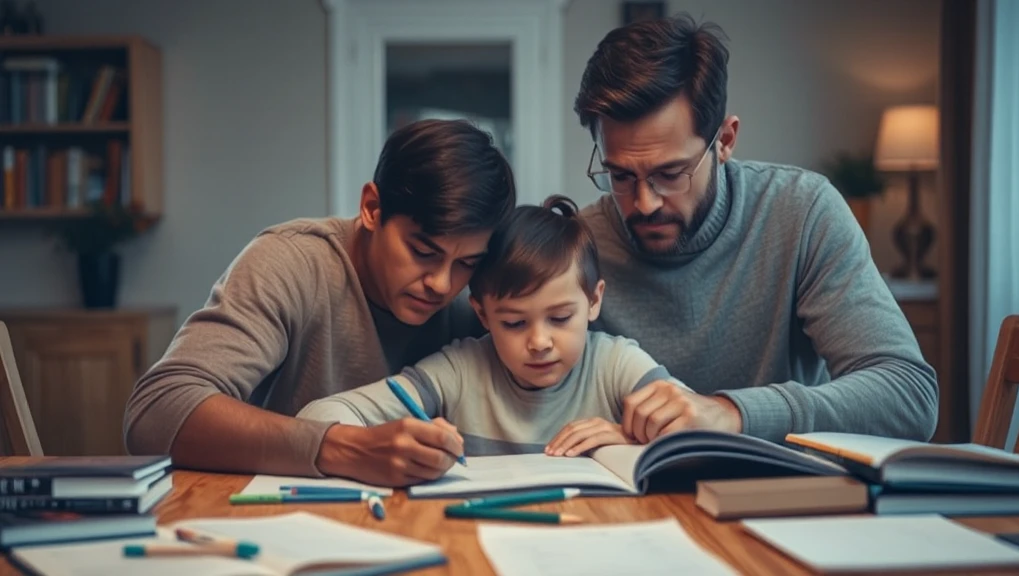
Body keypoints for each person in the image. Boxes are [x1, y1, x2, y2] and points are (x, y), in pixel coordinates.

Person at [573, 14, 939, 445]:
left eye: (670, 174)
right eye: (620, 176)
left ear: (725, 141)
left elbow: (909, 395)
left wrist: (732, 413)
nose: (645, 203)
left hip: (783, 486)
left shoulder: (802, 213)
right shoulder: (578, 246)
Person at [123, 119, 517, 484]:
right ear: (372, 208)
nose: (442, 285)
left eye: (466, 263)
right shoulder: (289, 263)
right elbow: (156, 411)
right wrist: (345, 448)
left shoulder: (477, 299)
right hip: (281, 517)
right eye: (423, 252)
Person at [296, 195, 692, 481]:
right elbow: (319, 415)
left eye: (560, 318)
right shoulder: (459, 371)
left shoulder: (616, 364)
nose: (540, 342)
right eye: (515, 323)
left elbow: (701, 432)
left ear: (593, 301)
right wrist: (384, 443)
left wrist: (628, 435)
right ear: (483, 314)